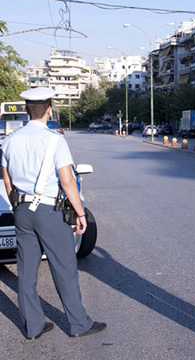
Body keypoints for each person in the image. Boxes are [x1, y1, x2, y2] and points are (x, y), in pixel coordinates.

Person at [1, 87, 106, 340]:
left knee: (26, 271)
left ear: (27, 110)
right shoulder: (55, 140)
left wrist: (20, 208)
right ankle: (79, 324)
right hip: (49, 211)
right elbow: (68, 182)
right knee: (64, 268)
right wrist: (80, 214)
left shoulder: (9, 140)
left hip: (22, 210)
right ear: (49, 109)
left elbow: (7, 180)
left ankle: (34, 327)